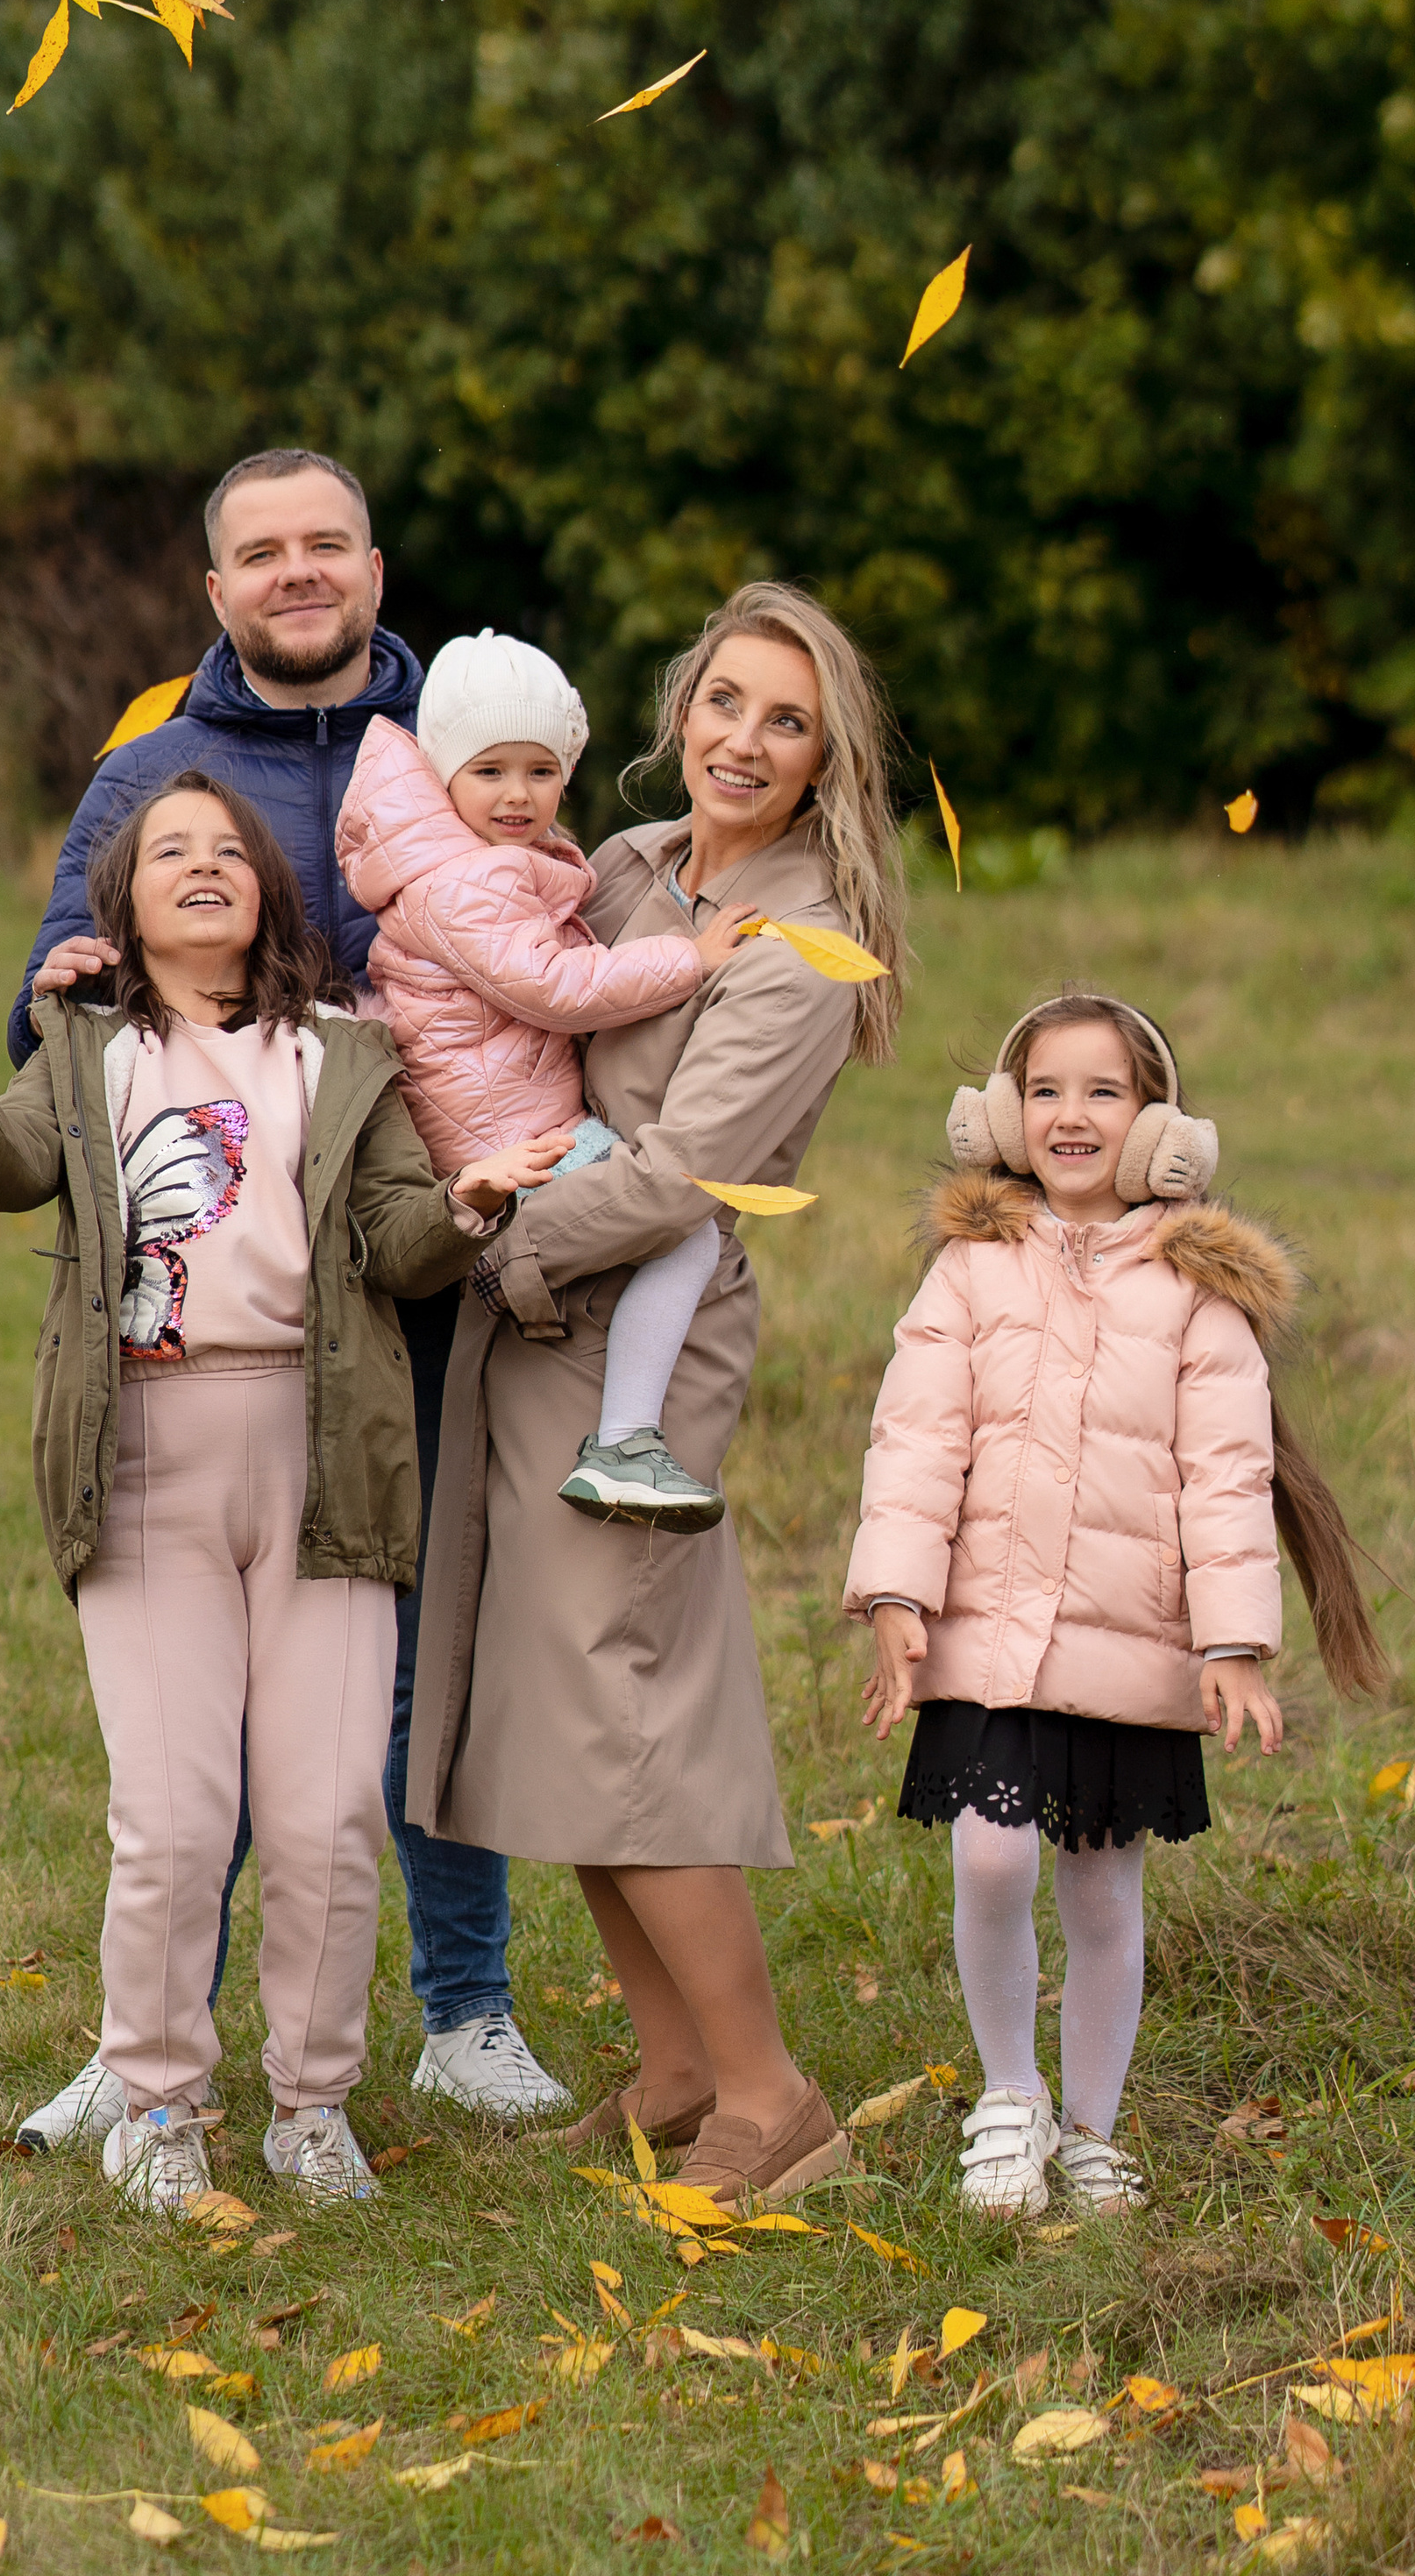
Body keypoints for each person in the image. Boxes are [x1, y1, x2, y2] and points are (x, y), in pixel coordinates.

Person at [0, 775, 561, 2212]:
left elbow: (396, 1239)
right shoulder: (86, 1043)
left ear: (268, 892)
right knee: (173, 1819)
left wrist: (472, 1199)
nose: (202, 865)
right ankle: (160, 2105)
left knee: (325, 1819)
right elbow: (10, 1166)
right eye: (168, 851)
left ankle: (312, 2107)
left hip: (326, 1460)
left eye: (228, 849)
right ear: (122, 904)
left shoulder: (343, 1050)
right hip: (145, 1463)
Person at [11, 449, 568, 2132]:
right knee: (215, 1702)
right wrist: (60, 991)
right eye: (263, 553)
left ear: (376, 571)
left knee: (418, 1662)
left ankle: (464, 2008)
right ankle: (150, 2036)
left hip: (435, 1256)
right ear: (217, 591)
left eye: (328, 543)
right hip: (226, 1302)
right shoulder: (151, 774)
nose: (298, 572)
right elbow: (57, 1012)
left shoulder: (459, 739)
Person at [405, 581, 906, 2210]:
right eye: (725, 702)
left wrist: (499, 1251)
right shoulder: (621, 866)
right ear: (682, 706)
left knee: (624, 1710)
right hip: (539, 1312)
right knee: (564, 1708)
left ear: (827, 760)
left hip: (636, 1335)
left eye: (787, 721)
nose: (744, 741)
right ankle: (677, 2069)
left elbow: (691, 1170)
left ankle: (772, 2093)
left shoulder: (802, 940)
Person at [847, 990, 1389, 2218]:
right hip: (988, 1629)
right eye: (1044, 1090)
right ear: (1003, 1116)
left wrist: (1233, 1641)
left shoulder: (1196, 1290)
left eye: (1104, 1091)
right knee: (991, 1855)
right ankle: (1009, 2097)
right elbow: (916, 1438)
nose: (1071, 1115)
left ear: (1157, 1126)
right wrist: (894, 1590)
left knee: (1100, 1889)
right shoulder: (971, 1266)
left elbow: (1226, 1472)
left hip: (1129, 1637)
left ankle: (1090, 2128)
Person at [337, 628, 755, 1535]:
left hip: (498, 1120)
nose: (518, 794)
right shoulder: (463, 884)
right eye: (489, 771)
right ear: (443, 775)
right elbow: (556, 987)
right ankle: (625, 1440)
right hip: (501, 1142)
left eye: (540, 769)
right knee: (685, 1229)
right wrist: (690, 959)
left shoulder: (459, 864)